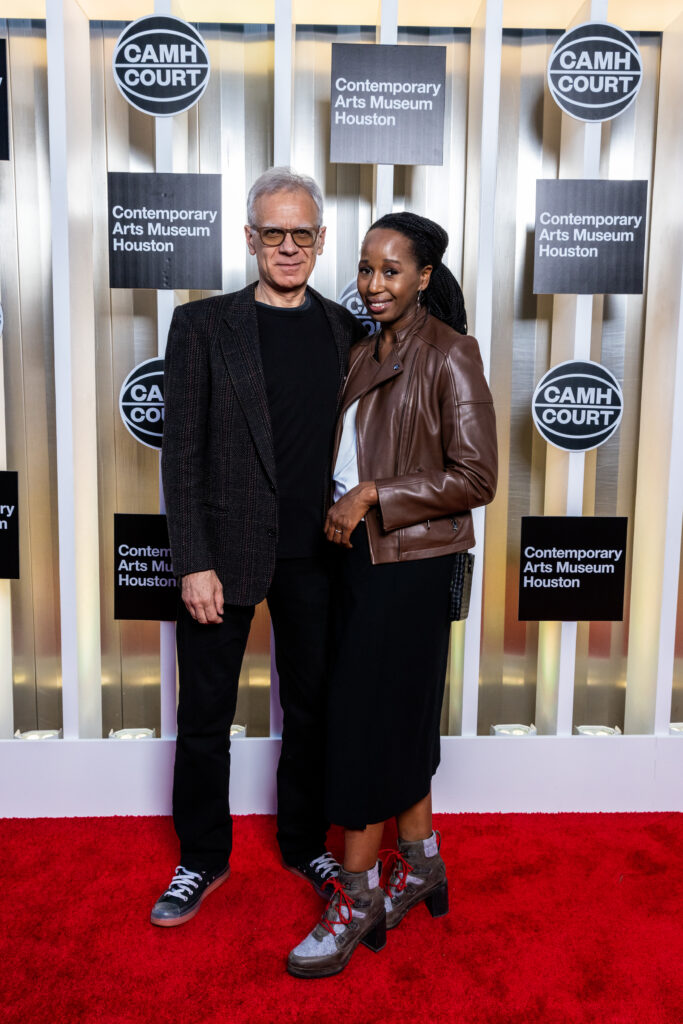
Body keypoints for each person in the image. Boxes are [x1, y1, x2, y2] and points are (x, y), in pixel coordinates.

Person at [153, 167, 367, 927]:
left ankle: (303, 839)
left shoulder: (349, 333)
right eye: (271, 233)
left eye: (300, 234)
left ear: (319, 240)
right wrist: (192, 560)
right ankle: (201, 858)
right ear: (249, 238)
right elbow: (180, 453)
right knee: (206, 712)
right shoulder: (202, 326)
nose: (286, 247)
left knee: (312, 707)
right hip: (224, 554)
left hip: (319, 554)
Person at [287, 212, 497, 977]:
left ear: (423, 279)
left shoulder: (450, 355)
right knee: (397, 723)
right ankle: (424, 864)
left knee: (364, 731)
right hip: (354, 561)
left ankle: (359, 895)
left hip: (407, 566)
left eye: (391, 271)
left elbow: (477, 478)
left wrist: (375, 493)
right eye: (366, 268)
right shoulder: (361, 348)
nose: (373, 284)